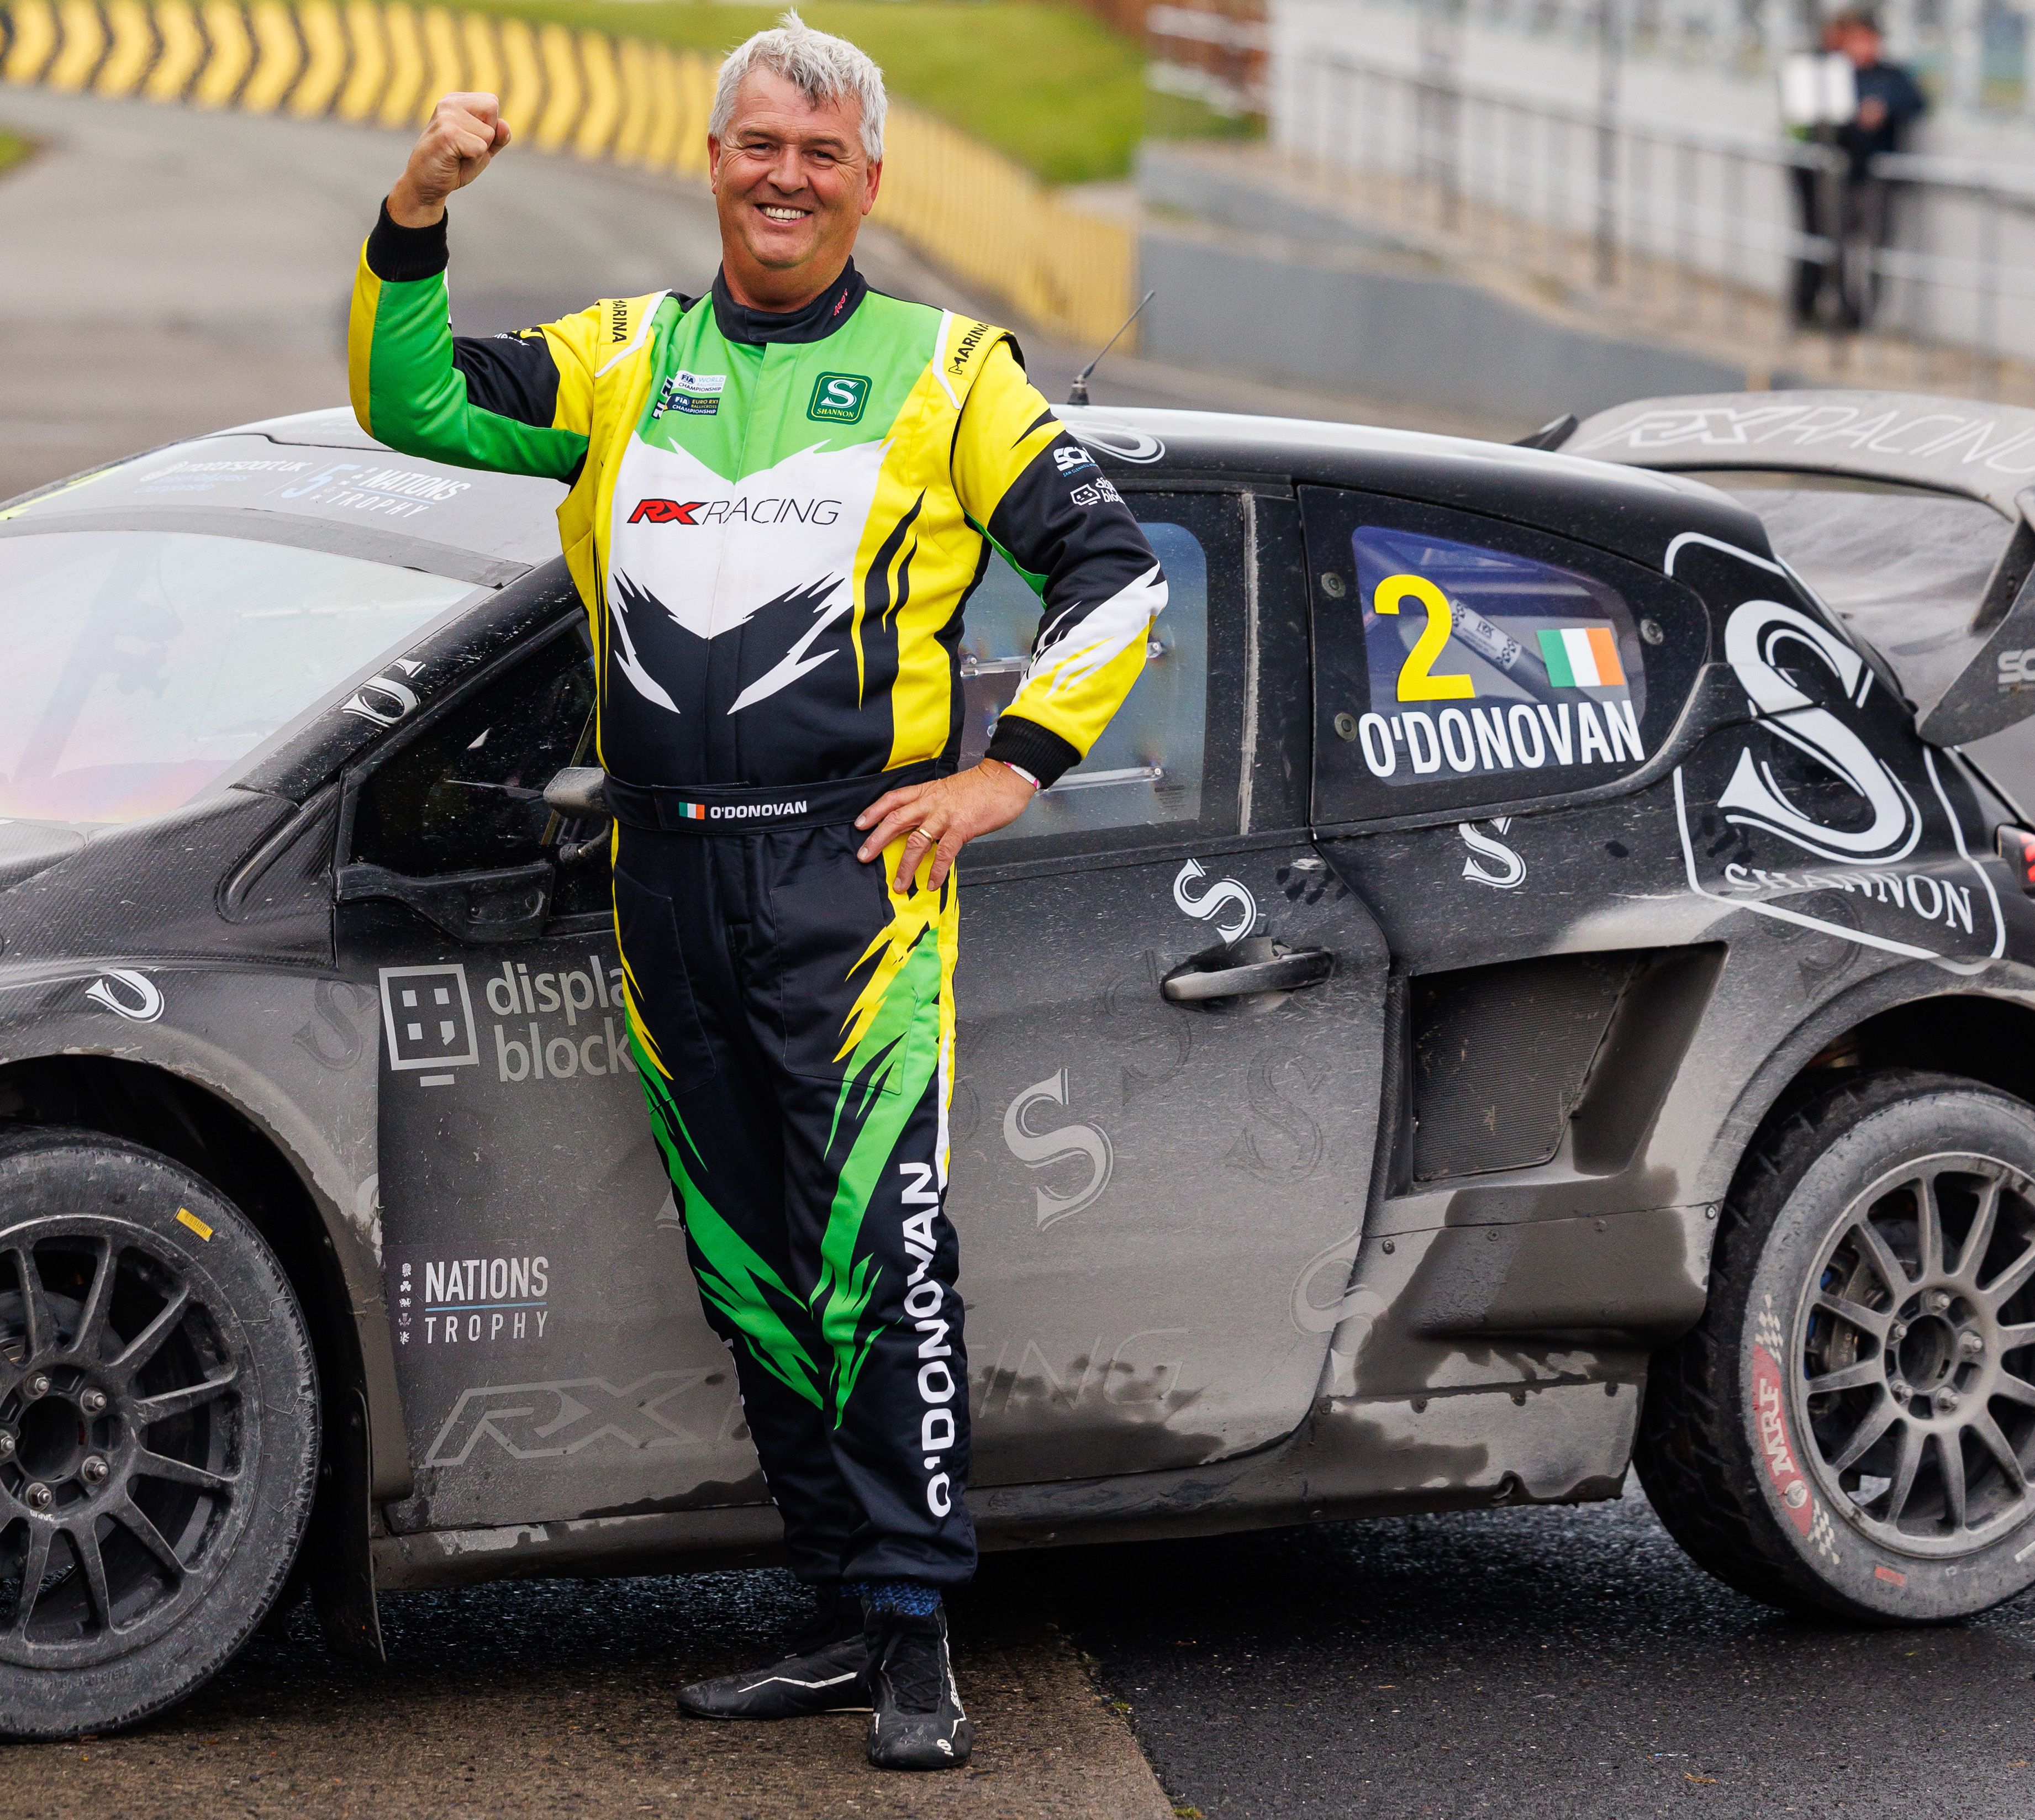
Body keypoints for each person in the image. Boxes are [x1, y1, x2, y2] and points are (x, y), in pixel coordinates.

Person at [349, 9, 1164, 1774]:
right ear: (711, 162)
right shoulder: (625, 357)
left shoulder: (953, 371)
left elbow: (1113, 575)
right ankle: (823, 1607)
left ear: (868, 182)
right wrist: (415, 211)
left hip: (849, 876)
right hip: (664, 869)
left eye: (819, 153)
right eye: (755, 145)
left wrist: (1009, 765)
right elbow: (408, 398)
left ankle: (914, 1628)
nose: (783, 177)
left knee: (874, 1251)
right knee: (745, 1265)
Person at [1789, 8, 1927, 331]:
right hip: (1840, 177)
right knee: (1835, 247)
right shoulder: (1835, 74)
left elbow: (1917, 102)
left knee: (1875, 251)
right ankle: (1840, 309)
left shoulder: (1891, 75)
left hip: (1875, 179)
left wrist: (1884, 106)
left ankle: (1864, 316)